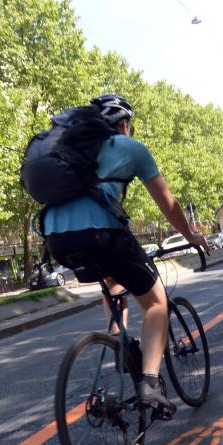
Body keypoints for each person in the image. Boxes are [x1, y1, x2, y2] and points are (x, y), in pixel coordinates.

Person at [42, 93, 208, 414]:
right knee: (156, 301)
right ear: (124, 125)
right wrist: (190, 235)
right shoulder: (130, 148)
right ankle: (149, 383)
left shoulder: (65, 151)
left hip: (57, 239)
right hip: (101, 232)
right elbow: (169, 205)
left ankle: (119, 343)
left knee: (115, 282)